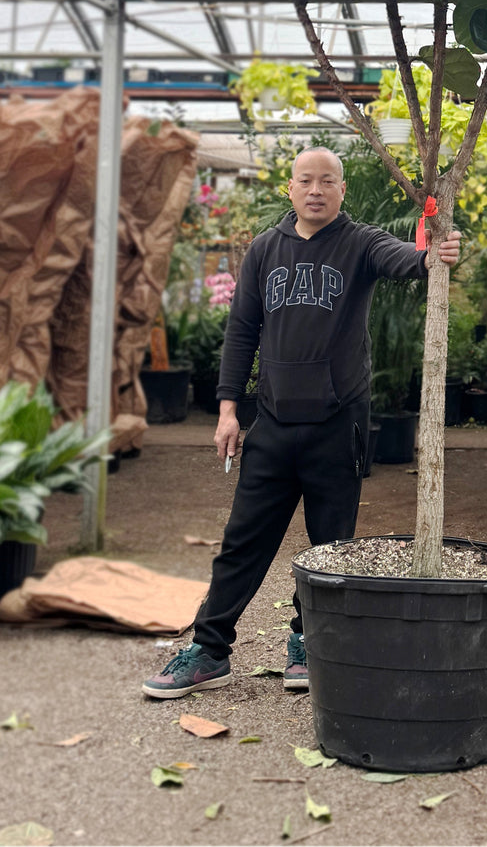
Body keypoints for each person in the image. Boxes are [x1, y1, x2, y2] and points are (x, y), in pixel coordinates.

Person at [142, 147, 460, 699]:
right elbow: (242, 331)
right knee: (242, 542)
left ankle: (307, 641)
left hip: (338, 423)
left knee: (329, 545)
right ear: (290, 190)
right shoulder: (265, 249)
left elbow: (405, 260)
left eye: (328, 181)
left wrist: (435, 251)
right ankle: (210, 650)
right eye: (306, 181)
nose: (316, 190)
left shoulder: (359, 243)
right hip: (273, 422)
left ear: (341, 192)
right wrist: (227, 410)